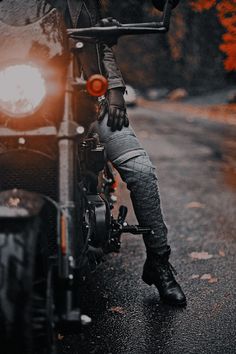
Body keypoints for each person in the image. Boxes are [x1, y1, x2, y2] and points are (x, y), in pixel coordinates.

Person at [50, 0, 186, 306]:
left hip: (86, 108)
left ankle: (159, 263)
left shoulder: (84, 2)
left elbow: (100, 46)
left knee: (141, 171)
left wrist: (114, 92)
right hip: (21, 110)